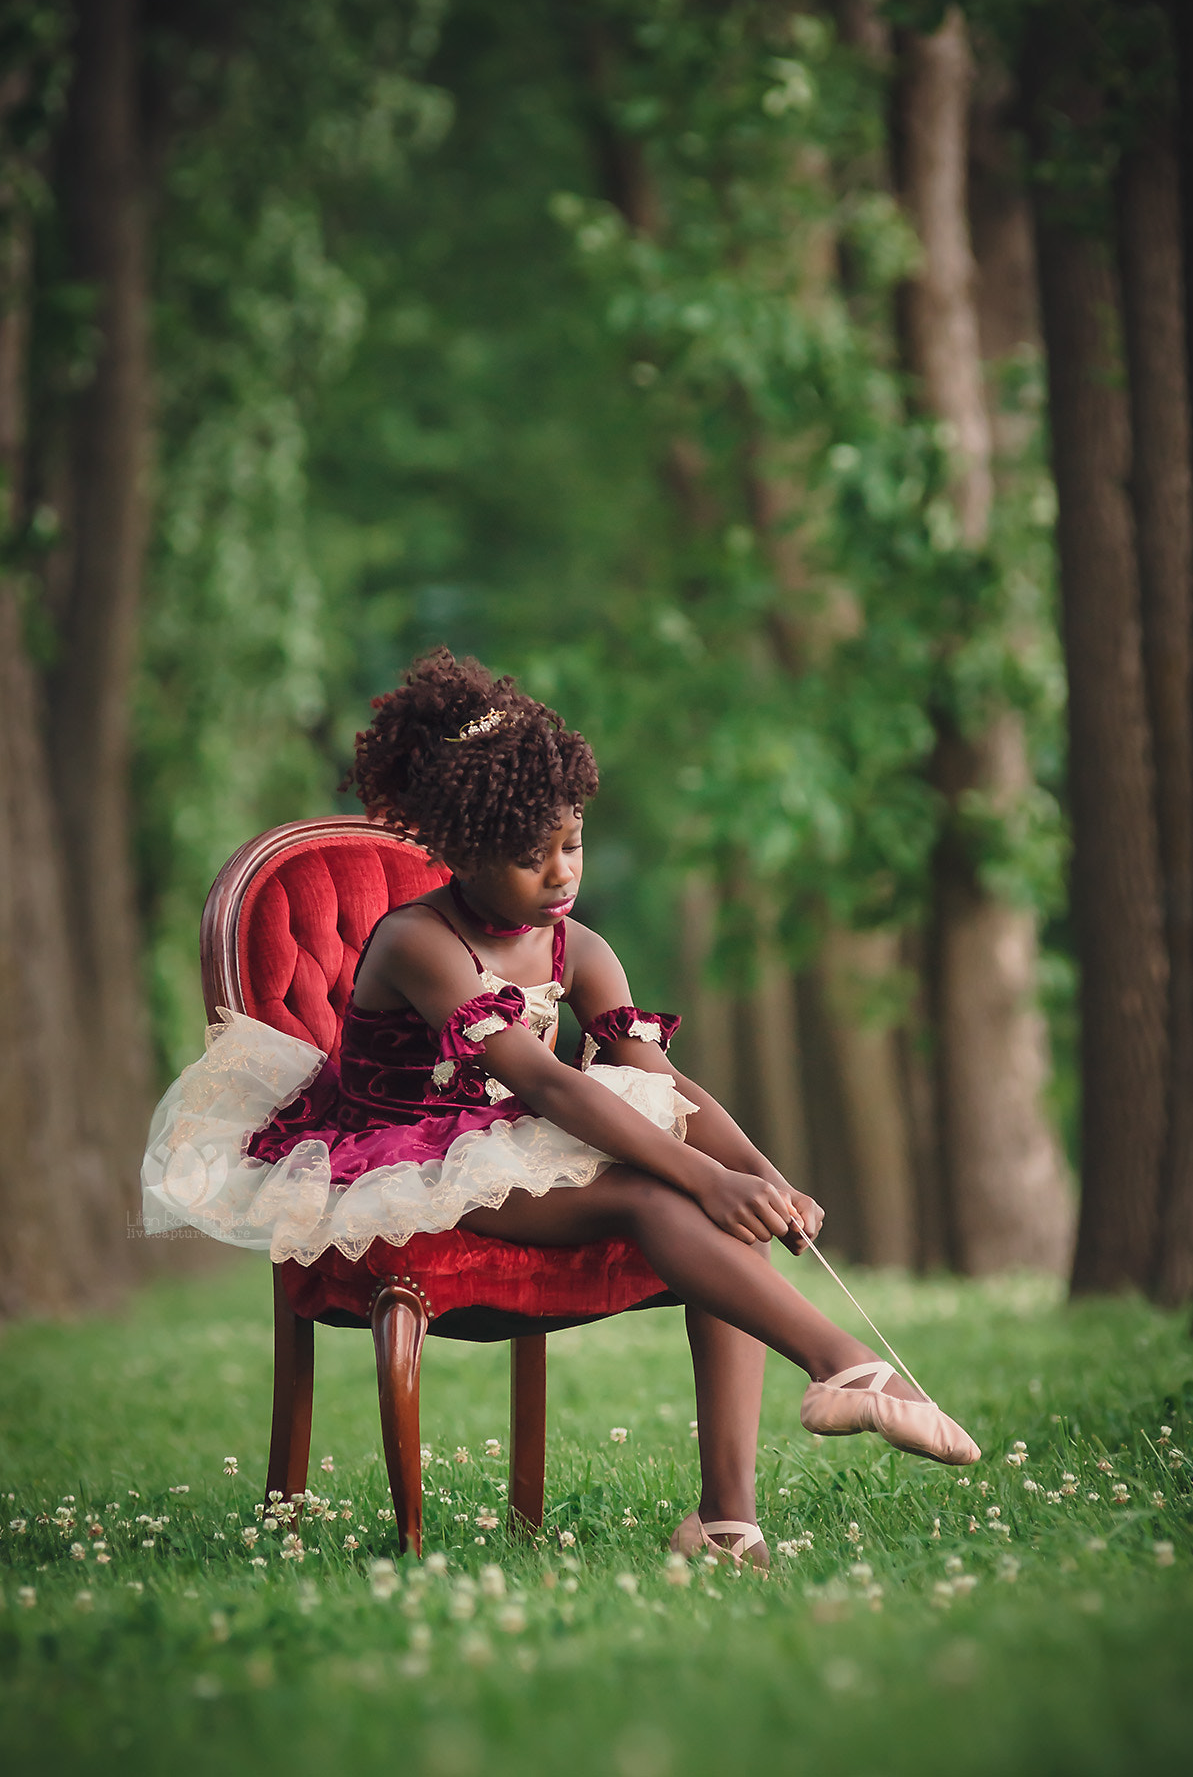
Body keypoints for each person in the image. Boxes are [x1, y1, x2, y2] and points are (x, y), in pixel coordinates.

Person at [142, 649, 979, 1573]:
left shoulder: (578, 945)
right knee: (657, 1197)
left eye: (570, 842)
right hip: (395, 1159)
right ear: (459, 848)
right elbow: (545, 1084)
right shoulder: (419, 941)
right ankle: (843, 1366)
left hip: (502, 1141)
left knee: (704, 1202)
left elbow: (657, 1084)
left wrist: (760, 1177)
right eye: (526, 854)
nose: (557, 872)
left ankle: (725, 1522)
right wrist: (702, 1176)